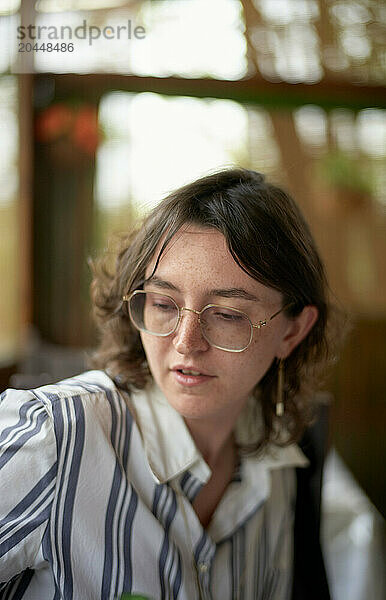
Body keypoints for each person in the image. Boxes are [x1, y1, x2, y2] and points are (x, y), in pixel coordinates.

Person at [0, 168, 343, 599]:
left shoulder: (278, 471)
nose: (185, 343)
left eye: (228, 315)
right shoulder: (53, 437)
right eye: (163, 303)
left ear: (292, 332)